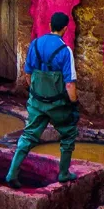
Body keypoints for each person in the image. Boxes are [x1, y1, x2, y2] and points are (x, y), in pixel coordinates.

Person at [6, 12, 79, 187]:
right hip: (58, 105)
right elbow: (70, 85)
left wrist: (35, 92)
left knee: (28, 136)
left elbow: (28, 74)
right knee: (68, 134)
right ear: (65, 29)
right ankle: (63, 173)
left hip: (37, 102)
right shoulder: (65, 51)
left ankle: (11, 173)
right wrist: (74, 104)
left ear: (49, 25)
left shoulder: (35, 44)